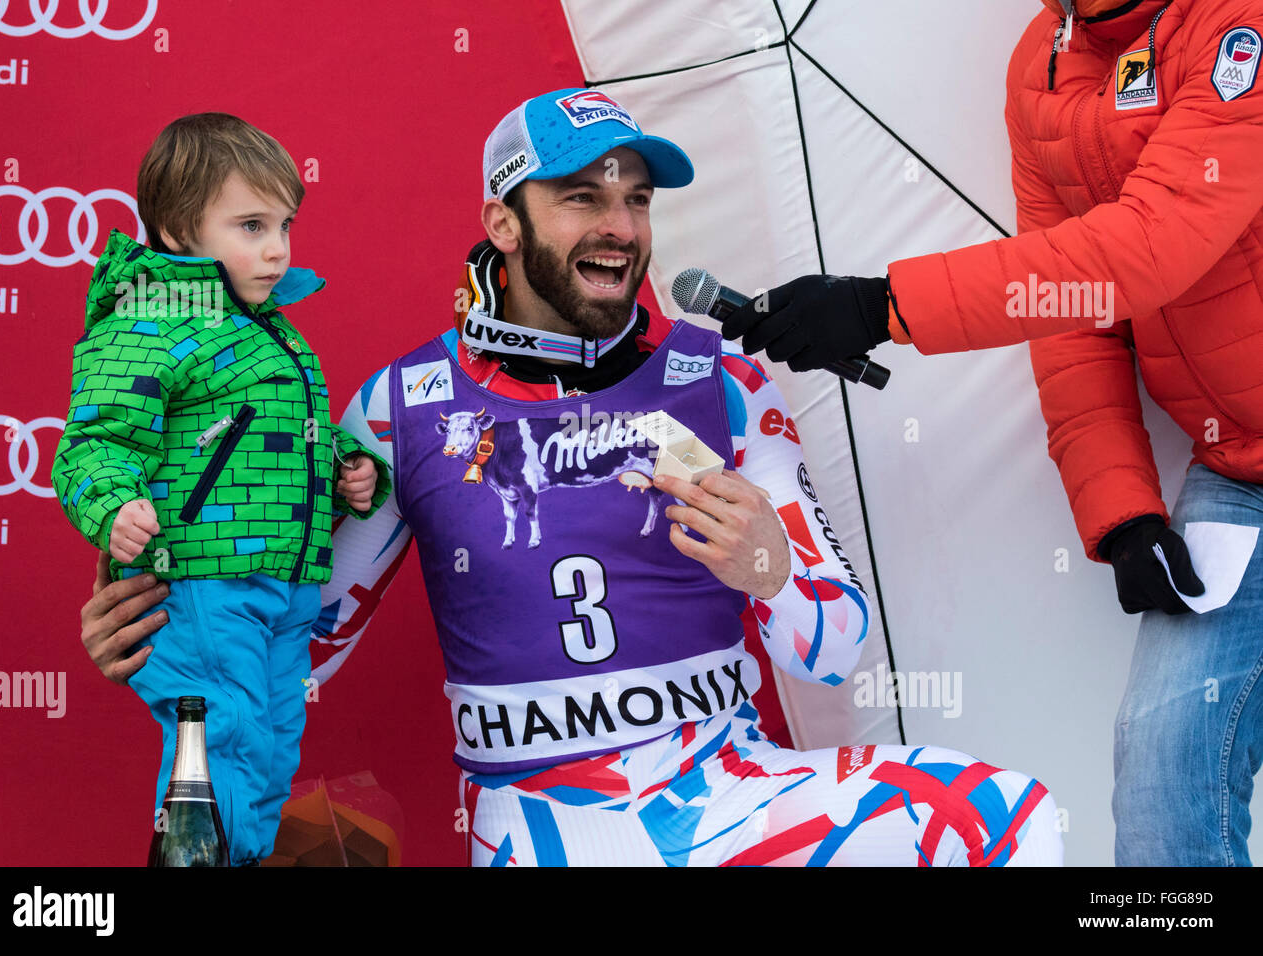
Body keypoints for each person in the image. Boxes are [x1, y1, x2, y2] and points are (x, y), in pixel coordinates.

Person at [81, 90, 1063, 866]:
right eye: (582, 196)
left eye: (635, 196)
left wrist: (771, 566)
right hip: (548, 827)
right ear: (502, 224)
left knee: (1006, 819)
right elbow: (298, 649)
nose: (620, 224)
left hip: (732, 798)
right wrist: (150, 621)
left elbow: (830, 652)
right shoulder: (402, 404)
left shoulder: (715, 383)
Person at [722, 0, 1263, 866]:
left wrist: (881, 305)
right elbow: (1074, 317)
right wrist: (1122, 512)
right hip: (1237, 469)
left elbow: (1149, 247)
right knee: (1164, 784)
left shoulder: (1240, 23)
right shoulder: (1040, 70)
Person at [52, 113, 391, 865]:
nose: (277, 249)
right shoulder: (147, 322)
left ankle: (241, 858)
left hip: (278, 585)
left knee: (268, 753)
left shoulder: (262, 326)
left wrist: (346, 469)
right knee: (221, 744)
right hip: (202, 584)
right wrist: (114, 506)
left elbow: (271, 436)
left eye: (285, 225)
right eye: (250, 225)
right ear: (177, 228)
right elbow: (94, 442)